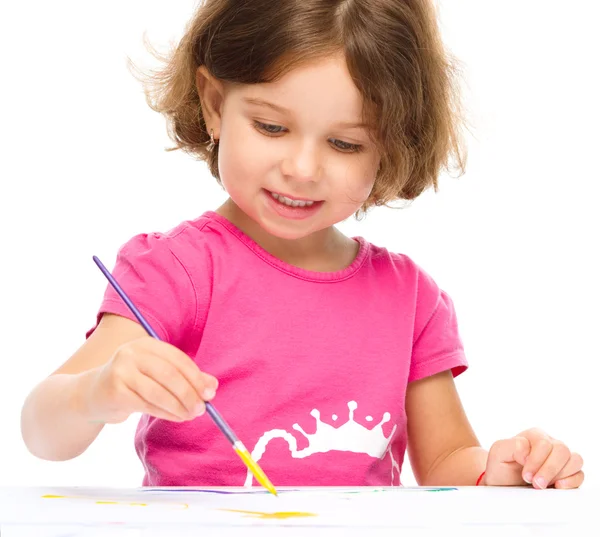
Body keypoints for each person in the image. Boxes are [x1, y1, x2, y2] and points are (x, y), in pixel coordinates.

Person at [21, 0, 583, 489]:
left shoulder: (409, 299)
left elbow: (447, 463)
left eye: (343, 143)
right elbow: (41, 430)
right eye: (271, 127)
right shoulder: (177, 271)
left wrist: (502, 470)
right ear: (216, 104)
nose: (302, 167)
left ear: (390, 145)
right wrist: (97, 392)